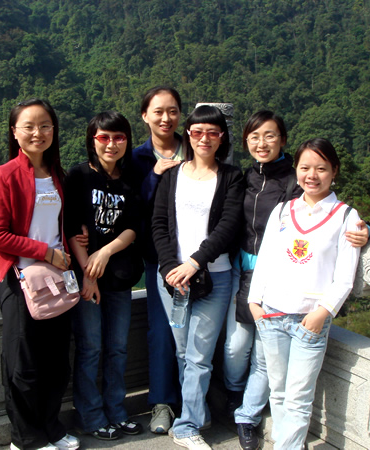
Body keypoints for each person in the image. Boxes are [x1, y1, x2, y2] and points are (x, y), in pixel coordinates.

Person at [225, 112, 370, 450]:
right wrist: (255, 303)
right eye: (305, 168)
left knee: (299, 396)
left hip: (310, 319)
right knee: (278, 391)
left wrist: (323, 312)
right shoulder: (284, 210)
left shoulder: (346, 217)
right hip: (272, 314)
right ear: (297, 170)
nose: (312, 175)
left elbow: (344, 276)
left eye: (321, 169)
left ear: (334, 171)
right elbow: (266, 260)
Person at [0, 98, 80, 450]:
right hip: (21, 279)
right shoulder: (6, 174)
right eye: (28, 126)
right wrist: (45, 252)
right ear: (15, 132)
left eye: (44, 125)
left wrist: (70, 249)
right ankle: (25, 438)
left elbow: (62, 224)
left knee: (56, 361)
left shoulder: (57, 175)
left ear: (54, 130)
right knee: (23, 363)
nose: (37, 132)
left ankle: (51, 427)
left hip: (57, 280)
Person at [152, 105, 244, 450]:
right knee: (182, 351)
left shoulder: (231, 177)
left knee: (199, 355)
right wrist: (168, 268)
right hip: (173, 280)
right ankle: (197, 411)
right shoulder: (172, 175)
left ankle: (187, 425)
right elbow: (158, 224)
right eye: (197, 132)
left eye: (212, 133)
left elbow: (228, 226)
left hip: (214, 277)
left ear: (222, 138)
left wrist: (195, 262)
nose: (204, 138)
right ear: (188, 135)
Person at [64, 111, 144, 441]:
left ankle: (116, 410)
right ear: (92, 141)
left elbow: (134, 227)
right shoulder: (79, 176)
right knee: (91, 347)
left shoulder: (131, 178)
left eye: (119, 137)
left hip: (119, 276)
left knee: (118, 348)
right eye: (104, 137)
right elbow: (71, 228)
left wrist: (105, 251)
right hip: (86, 278)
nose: (111, 144)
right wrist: (88, 274)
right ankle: (91, 416)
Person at [131, 86, 184, 434]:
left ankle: (196, 400)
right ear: (145, 116)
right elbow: (132, 206)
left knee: (201, 333)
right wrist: (156, 175)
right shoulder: (136, 158)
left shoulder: (196, 147)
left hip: (200, 257)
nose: (166, 118)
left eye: (173, 111)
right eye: (158, 111)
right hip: (159, 259)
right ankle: (162, 403)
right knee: (162, 331)